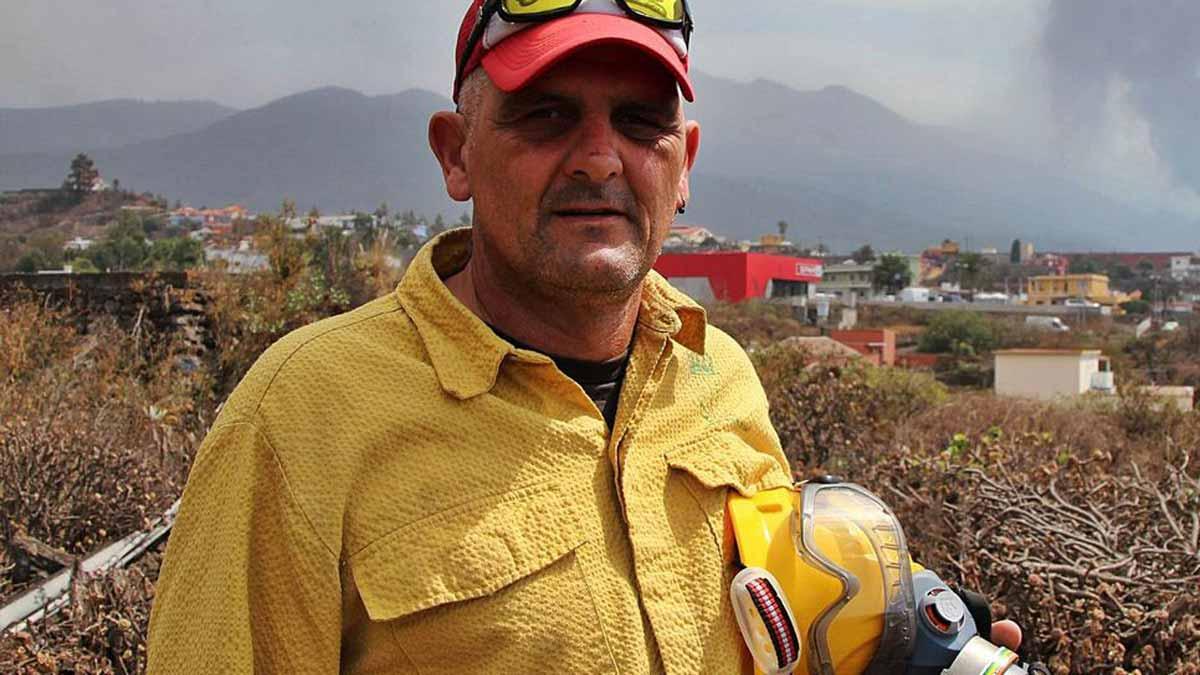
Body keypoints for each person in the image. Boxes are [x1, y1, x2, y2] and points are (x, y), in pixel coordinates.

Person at [148, 1, 1020, 672]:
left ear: (684, 165)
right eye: (547, 115)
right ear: (455, 153)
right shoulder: (303, 414)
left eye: (642, 123)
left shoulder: (720, 376)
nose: (601, 158)